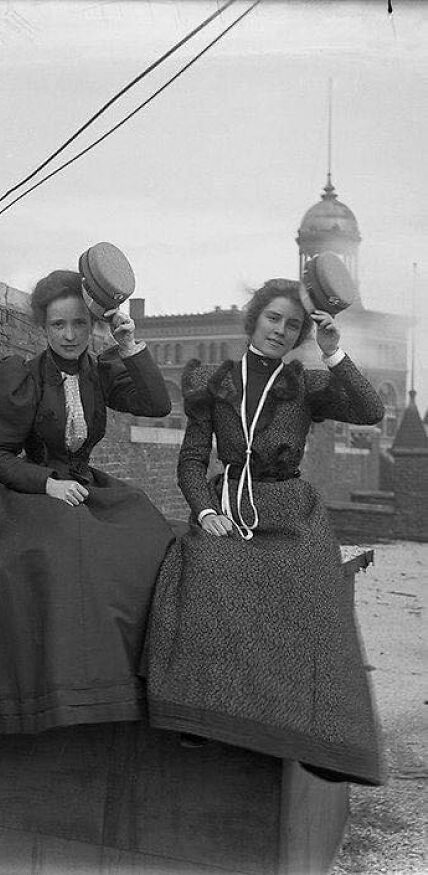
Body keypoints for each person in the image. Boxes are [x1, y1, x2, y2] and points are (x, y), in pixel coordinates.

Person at [143, 278, 386, 785]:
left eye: (292, 325)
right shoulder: (213, 382)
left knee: (313, 584)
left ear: (300, 335)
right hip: (229, 503)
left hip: (291, 510)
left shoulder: (306, 384)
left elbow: (370, 411)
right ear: (254, 320)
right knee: (205, 567)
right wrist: (204, 511)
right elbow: (192, 460)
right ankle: (201, 713)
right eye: (273, 318)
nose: (280, 330)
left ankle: (316, 732)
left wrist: (333, 352)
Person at [0, 268, 174, 737]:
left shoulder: (101, 371)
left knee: (149, 537)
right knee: (65, 548)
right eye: (58, 325)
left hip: (85, 485)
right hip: (31, 492)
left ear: (93, 325)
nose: (69, 335)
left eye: (79, 324)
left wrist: (129, 345)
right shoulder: (21, 375)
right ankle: (63, 688)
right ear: (43, 326)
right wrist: (47, 484)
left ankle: (126, 679)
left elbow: (157, 405)